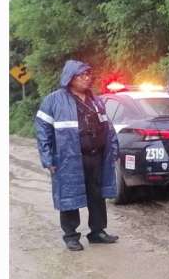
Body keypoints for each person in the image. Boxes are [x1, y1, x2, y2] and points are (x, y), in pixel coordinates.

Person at [34, 60, 120, 251]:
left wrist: (113, 149)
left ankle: (97, 232)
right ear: (69, 78)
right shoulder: (54, 101)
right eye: (82, 75)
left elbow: (109, 128)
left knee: (97, 196)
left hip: (96, 157)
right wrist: (48, 158)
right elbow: (42, 131)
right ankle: (71, 236)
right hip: (68, 159)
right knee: (69, 195)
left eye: (88, 74)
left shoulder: (95, 100)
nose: (87, 78)